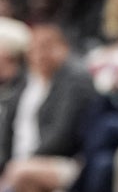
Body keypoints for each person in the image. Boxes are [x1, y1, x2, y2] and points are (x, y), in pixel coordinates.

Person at [0, 21, 99, 192]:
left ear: (63, 49)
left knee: (21, 173)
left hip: (65, 160)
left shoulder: (74, 83)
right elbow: (7, 131)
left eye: (46, 47)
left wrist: (26, 160)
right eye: (34, 48)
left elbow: (62, 135)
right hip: (19, 162)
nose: (40, 54)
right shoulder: (24, 83)